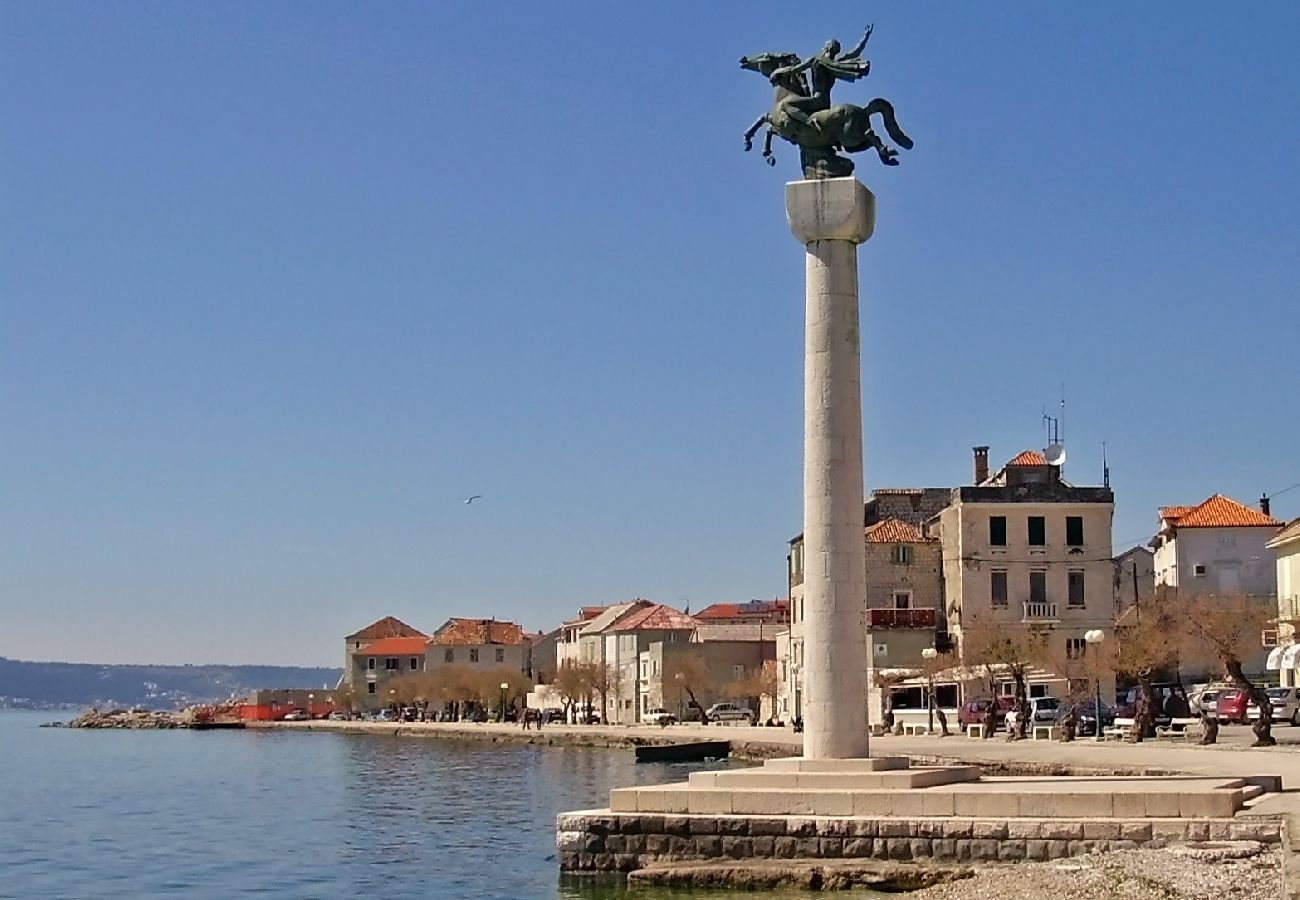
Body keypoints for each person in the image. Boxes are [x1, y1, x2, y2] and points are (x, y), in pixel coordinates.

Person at [772, 26, 874, 133]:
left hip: (817, 101)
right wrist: (865, 37)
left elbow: (795, 70)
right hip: (826, 102)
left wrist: (778, 72)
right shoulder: (835, 64)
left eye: (825, 46)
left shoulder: (817, 61)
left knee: (786, 104)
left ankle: (810, 123)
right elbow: (854, 53)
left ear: (827, 48)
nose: (823, 48)